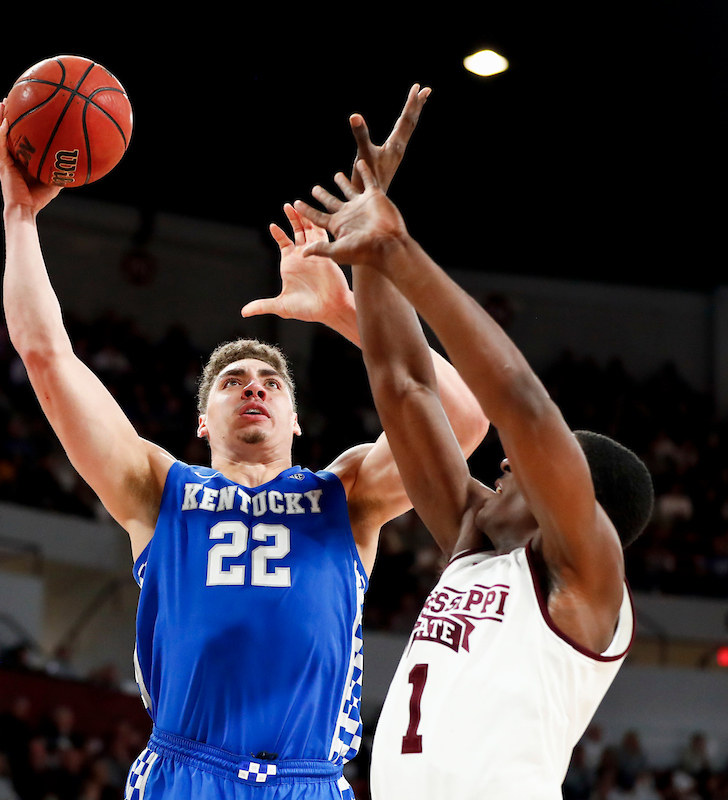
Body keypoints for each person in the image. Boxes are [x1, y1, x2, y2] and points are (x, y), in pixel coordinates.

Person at [0, 87, 488, 799]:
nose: (252, 386)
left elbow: (465, 420)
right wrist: (18, 216)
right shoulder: (159, 490)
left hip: (308, 781)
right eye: (230, 381)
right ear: (202, 422)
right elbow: (46, 355)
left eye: (269, 381)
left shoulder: (344, 496)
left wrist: (347, 312)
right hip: (185, 773)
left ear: (295, 421)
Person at [290, 134, 653, 798]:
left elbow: (523, 408)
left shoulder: (586, 583)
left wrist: (403, 255)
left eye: (530, 469)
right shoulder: (474, 542)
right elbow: (404, 387)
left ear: (570, 500)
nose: (507, 460)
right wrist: (372, 239)